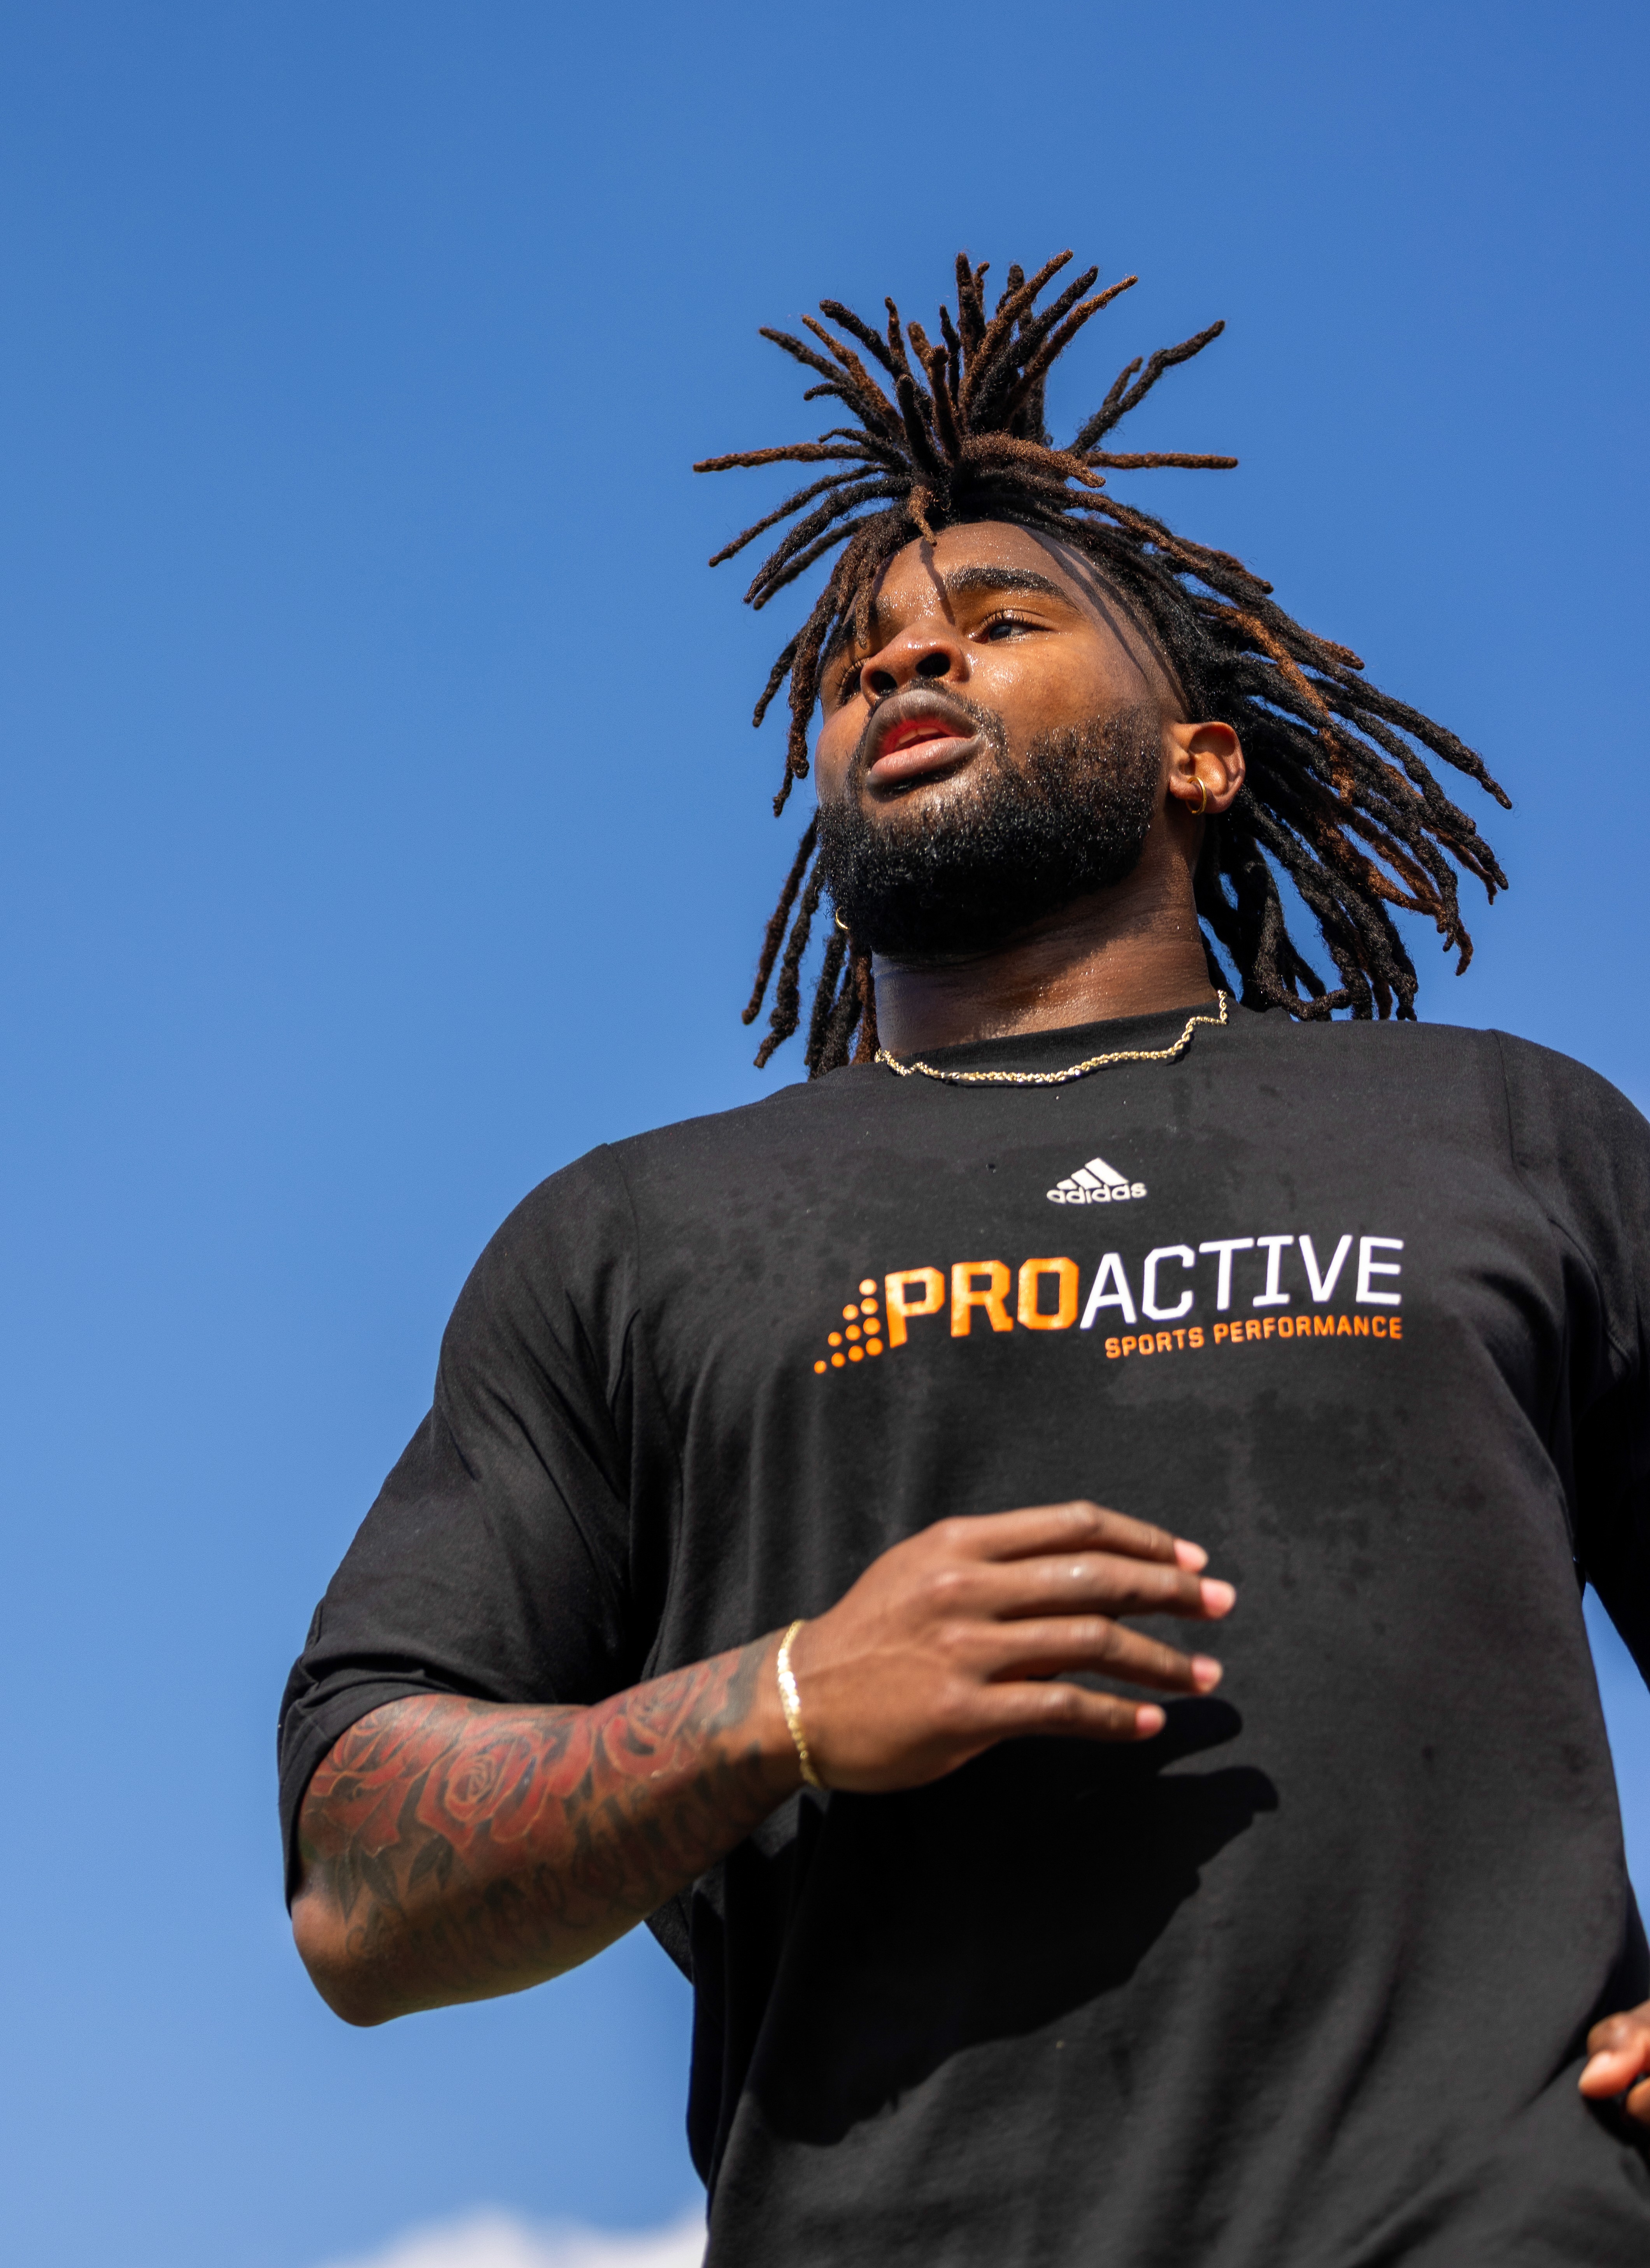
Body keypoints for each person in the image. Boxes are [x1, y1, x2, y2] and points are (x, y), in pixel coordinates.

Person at [281, 251, 1650, 2264]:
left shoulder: (1505, 1137)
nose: (901, 669)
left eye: (994, 626)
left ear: (1202, 759)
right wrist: (783, 1700)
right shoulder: (630, 1240)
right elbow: (359, 1881)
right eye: (855, 664)